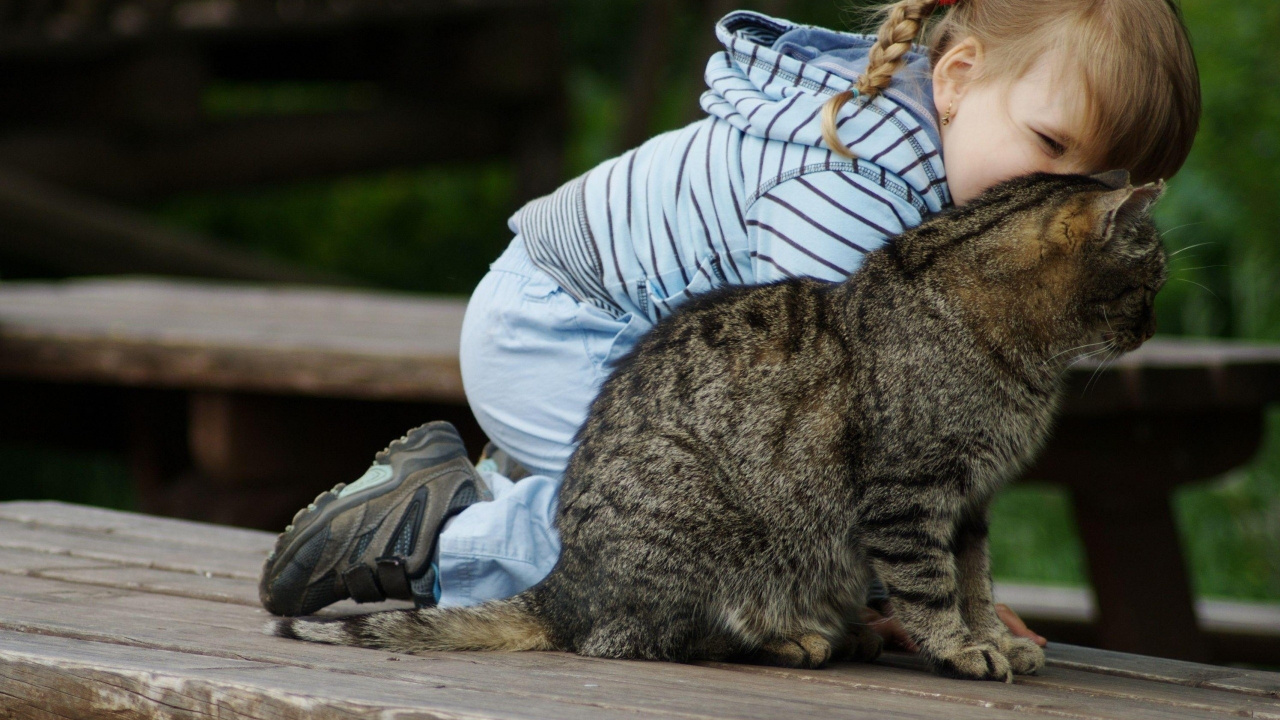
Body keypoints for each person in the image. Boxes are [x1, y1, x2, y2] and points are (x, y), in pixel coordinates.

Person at [258, 0, 1200, 650]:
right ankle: (435, 534)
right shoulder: (860, 186)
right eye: (1049, 145)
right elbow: (825, 435)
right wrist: (917, 598)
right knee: (668, 552)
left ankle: (479, 489)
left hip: (614, 332)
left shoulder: (936, 161)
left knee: (699, 529)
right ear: (955, 77)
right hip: (561, 323)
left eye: (1096, 184)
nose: (1062, 200)